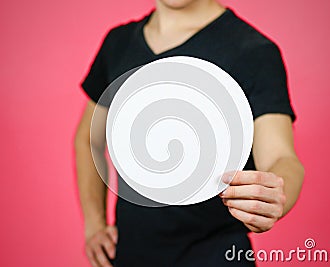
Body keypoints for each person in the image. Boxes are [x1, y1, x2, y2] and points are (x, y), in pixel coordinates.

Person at [75, 0, 305, 266]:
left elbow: (281, 157)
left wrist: (275, 195)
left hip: (215, 256)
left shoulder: (253, 51)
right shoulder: (119, 43)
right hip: (129, 255)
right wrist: (94, 223)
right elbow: (88, 139)